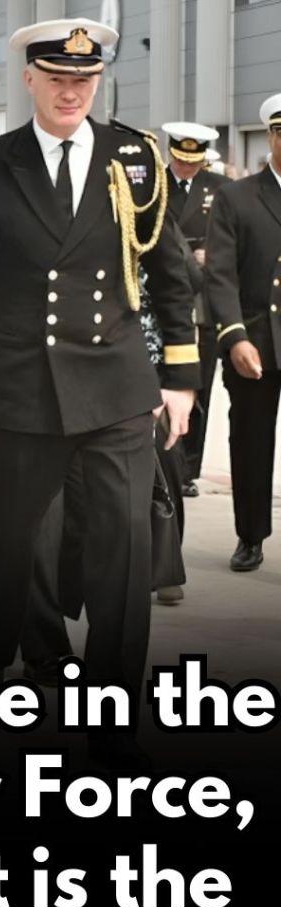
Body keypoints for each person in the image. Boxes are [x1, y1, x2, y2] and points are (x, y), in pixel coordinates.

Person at [0, 18, 198, 770]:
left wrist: (180, 377)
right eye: (57, 78)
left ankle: (112, 715)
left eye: (84, 79)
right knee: (11, 538)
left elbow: (170, 273)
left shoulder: (134, 159)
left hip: (116, 384)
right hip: (24, 384)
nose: (71, 91)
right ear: (30, 80)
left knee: (124, 550)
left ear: (97, 82)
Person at [205, 92, 281, 573]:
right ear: (273, 136)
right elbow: (219, 274)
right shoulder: (237, 197)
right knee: (251, 444)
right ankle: (250, 535)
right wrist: (234, 337)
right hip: (257, 340)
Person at [162, 121, 230, 497]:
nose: (186, 167)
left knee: (197, 386)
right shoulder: (154, 184)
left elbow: (234, 238)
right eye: (181, 160)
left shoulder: (220, 189)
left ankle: (188, 469)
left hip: (201, 299)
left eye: (193, 161)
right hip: (162, 290)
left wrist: (213, 254)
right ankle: (161, 463)